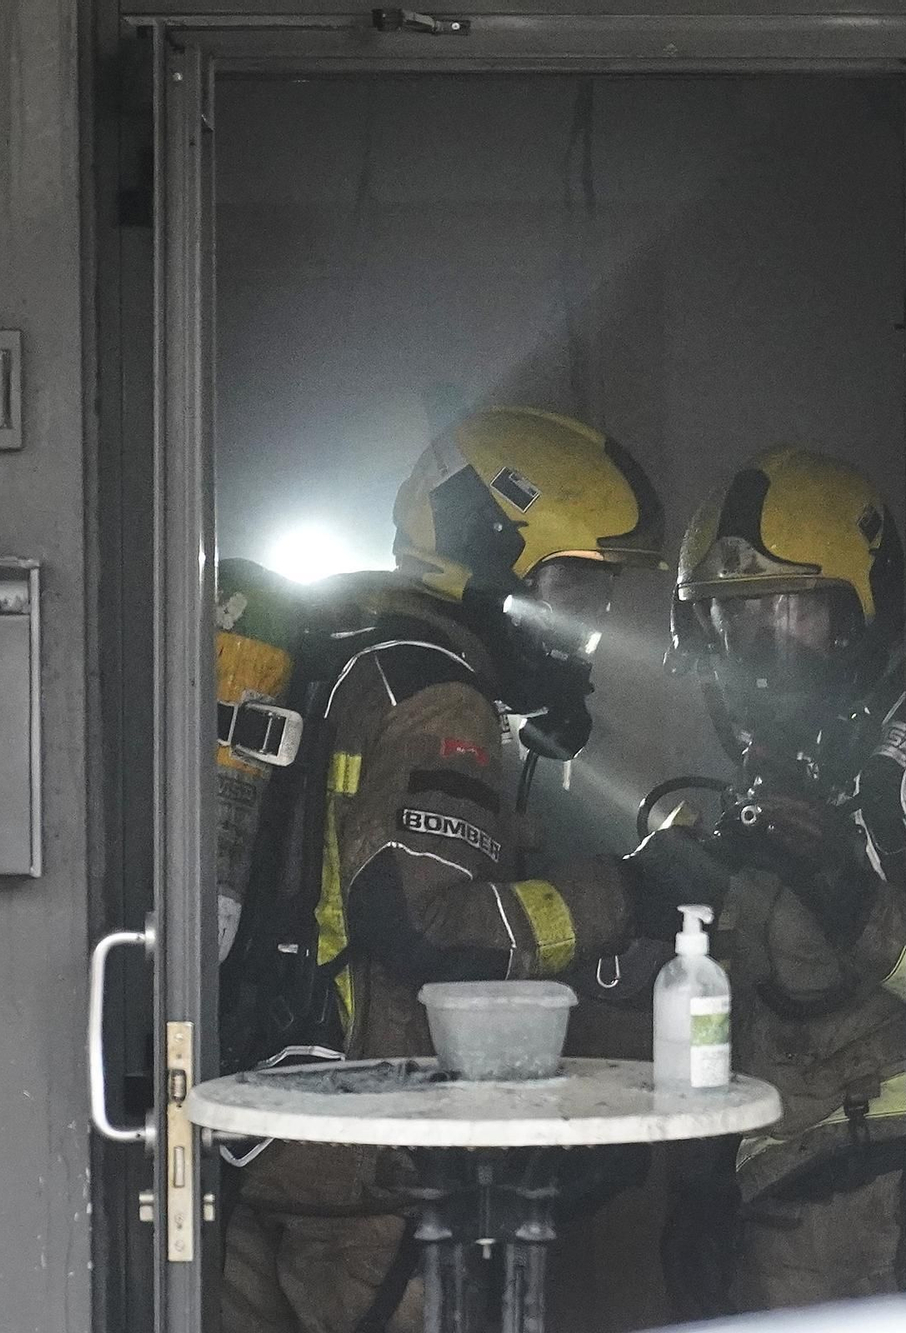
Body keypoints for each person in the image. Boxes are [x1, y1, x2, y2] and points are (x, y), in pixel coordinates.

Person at [218, 405, 668, 1333]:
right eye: (574, 590)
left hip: (254, 1126)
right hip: (360, 1165)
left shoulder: (349, 648)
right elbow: (429, 923)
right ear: (491, 561)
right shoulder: (440, 696)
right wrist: (624, 894)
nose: (589, 625)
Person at [633, 446, 906, 1314]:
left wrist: (842, 882)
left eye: (785, 613)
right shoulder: (767, 786)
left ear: (858, 615)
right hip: (781, 1196)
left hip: (890, 1193)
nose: (755, 650)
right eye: (730, 622)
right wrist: (701, 1186)